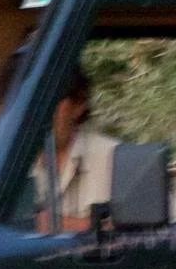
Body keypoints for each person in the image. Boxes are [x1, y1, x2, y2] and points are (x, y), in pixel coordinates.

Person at [35, 65, 119, 231]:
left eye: (50, 99)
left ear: (78, 105)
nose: (39, 111)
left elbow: (171, 233)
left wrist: (63, 225)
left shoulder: (117, 157)